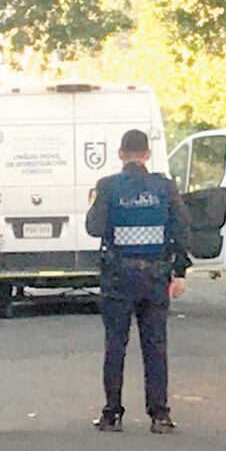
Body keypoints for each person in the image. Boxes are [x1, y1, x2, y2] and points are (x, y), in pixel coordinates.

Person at [86, 129, 192, 434]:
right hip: (156, 276)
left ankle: (112, 413)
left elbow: (94, 228)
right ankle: (159, 414)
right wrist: (180, 271)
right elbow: (182, 228)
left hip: (119, 276)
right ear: (147, 154)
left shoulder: (107, 187)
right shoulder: (164, 187)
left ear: (121, 154)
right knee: (155, 345)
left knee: (115, 345)